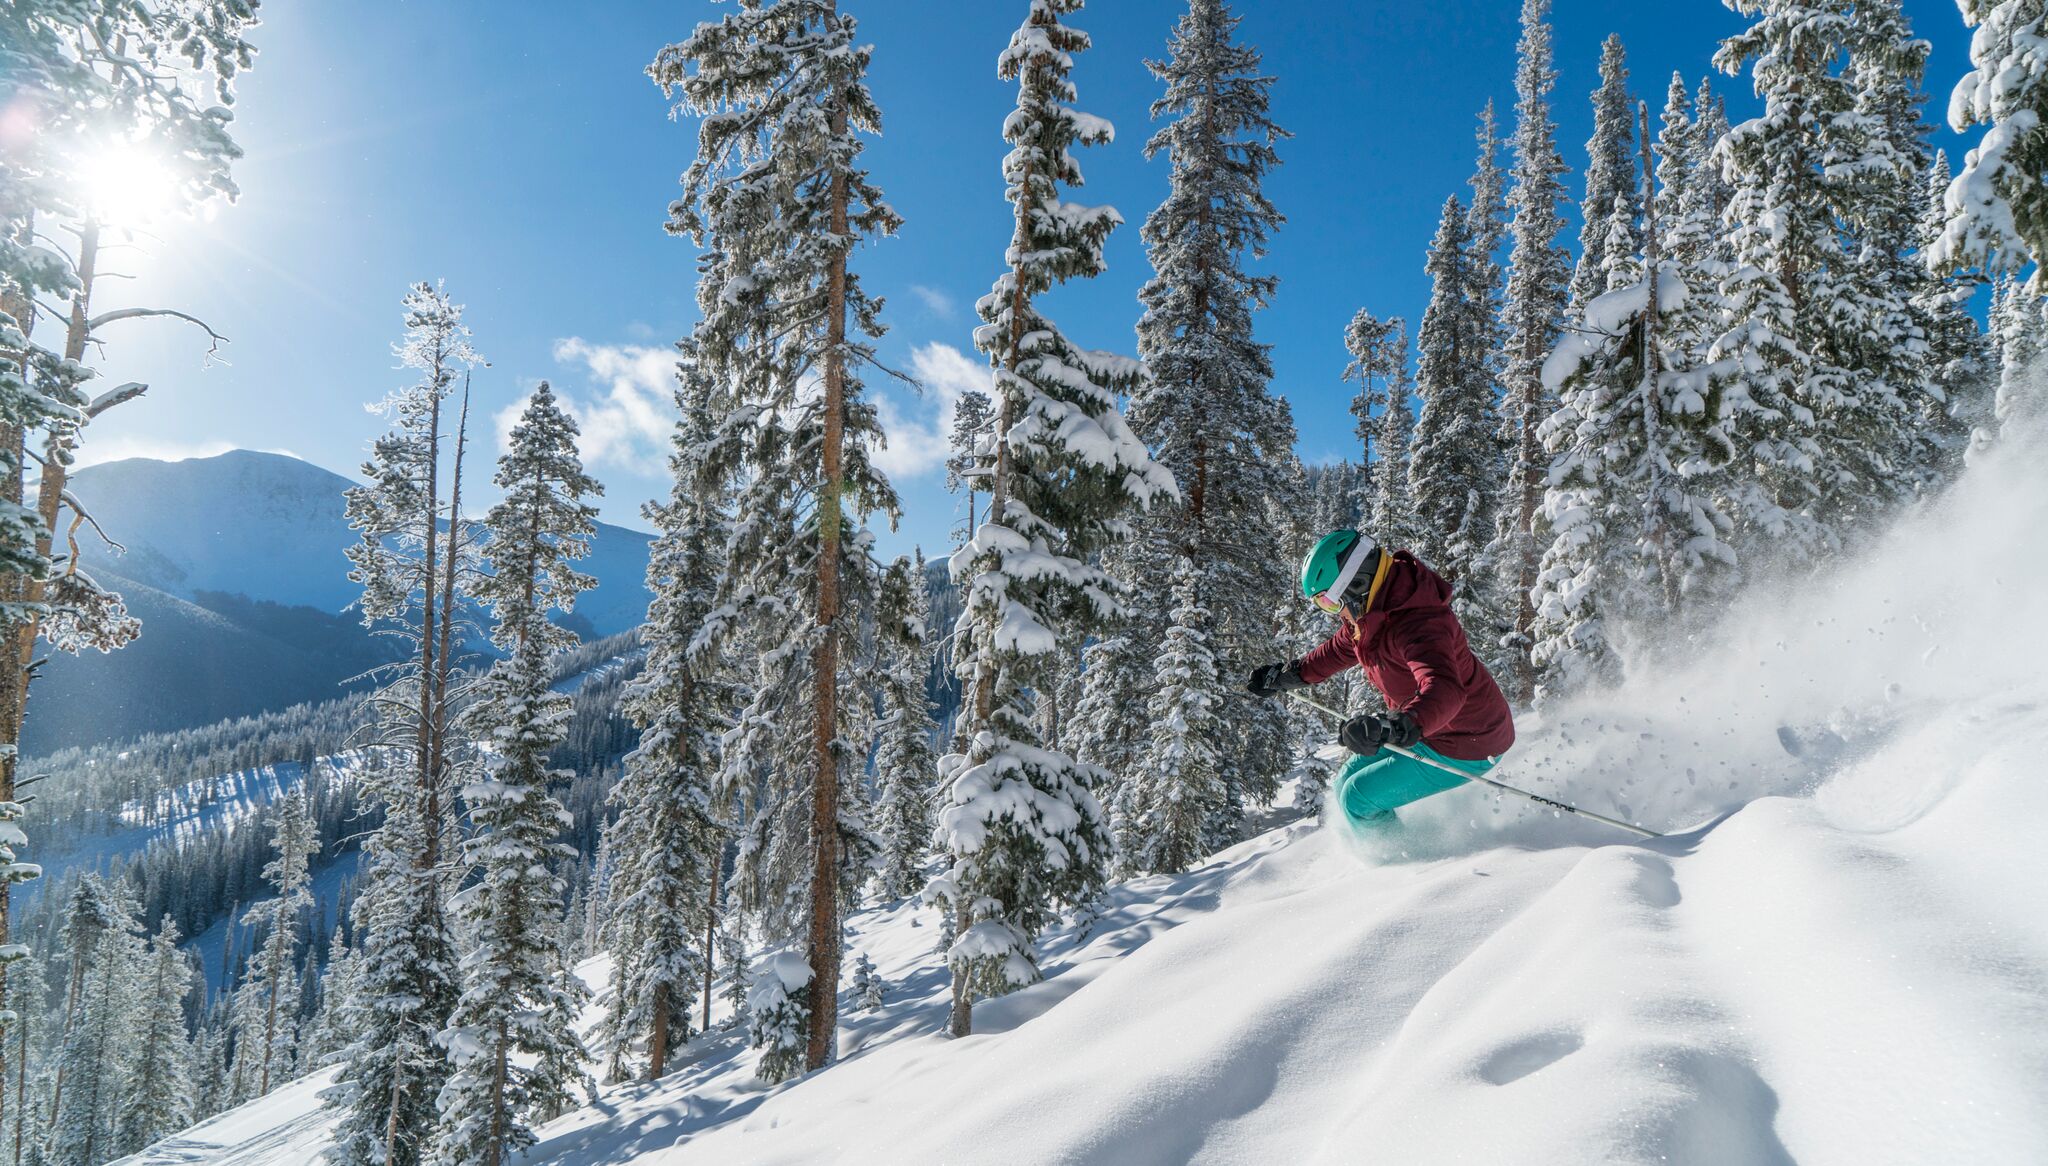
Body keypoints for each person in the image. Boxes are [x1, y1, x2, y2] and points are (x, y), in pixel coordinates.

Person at [1247, 529, 1514, 830]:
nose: (1332, 612)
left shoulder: (1419, 624)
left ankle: (1405, 869)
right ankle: (1391, 851)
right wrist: (1286, 677)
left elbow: (1446, 688)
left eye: (1328, 602)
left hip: (1468, 741)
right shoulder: (1374, 612)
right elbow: (1337, 650)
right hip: (1429, 729)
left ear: (1356, 583)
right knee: (1344, 784)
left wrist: (1399, 725)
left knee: (1357, 800)